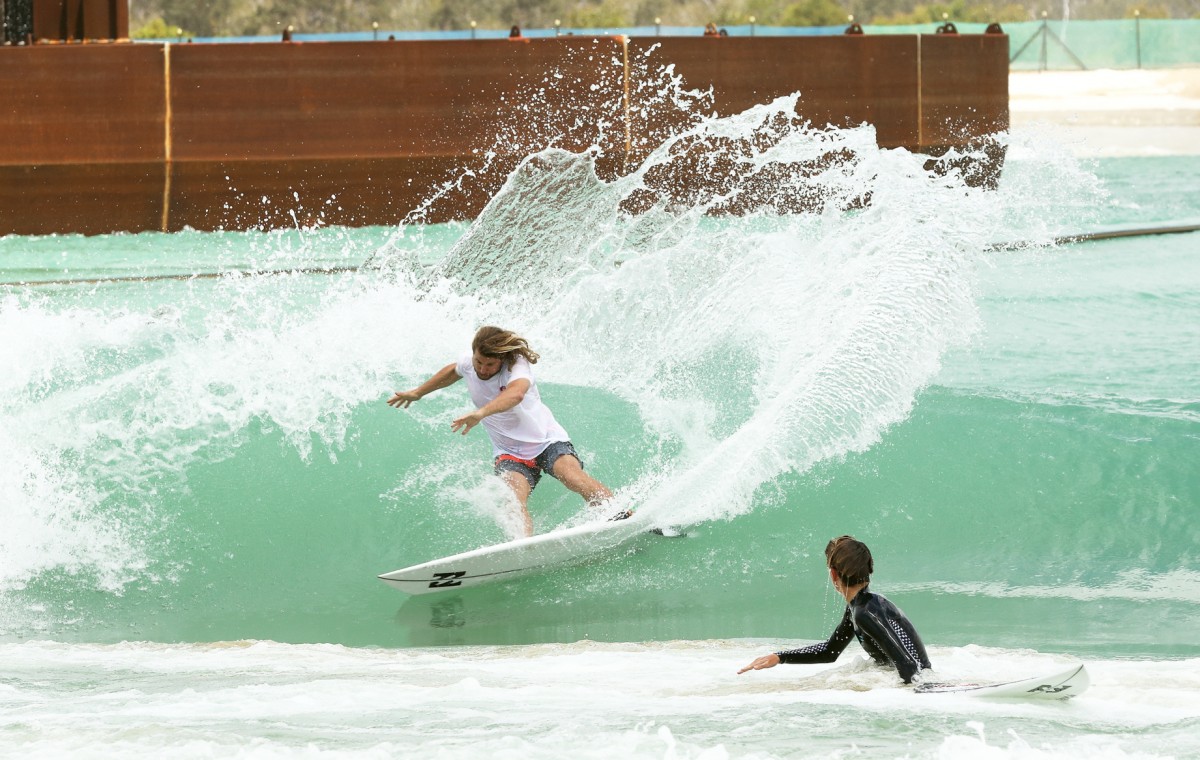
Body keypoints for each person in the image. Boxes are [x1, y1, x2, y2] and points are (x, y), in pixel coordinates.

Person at [387, 326, 618, 537]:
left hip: (547, 441)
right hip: (509, 451)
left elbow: (515, 394)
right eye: (479, 362)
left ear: (502, 359)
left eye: (489, 365)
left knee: (572, 478)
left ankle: (620, 516)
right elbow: (453, 370)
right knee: (512, 501)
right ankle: (524, 549)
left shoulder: (516, 366)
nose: (482, 369)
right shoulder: (469, 363)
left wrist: (481, 413)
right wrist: (418, 392)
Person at [738, 536, 931, 684]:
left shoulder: (866, 612)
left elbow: (910, 666)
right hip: (918, 679)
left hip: (921, 683)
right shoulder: (860, 608)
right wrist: (780, 657)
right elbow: (830, 651)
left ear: (833, 574)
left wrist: (905, 702)